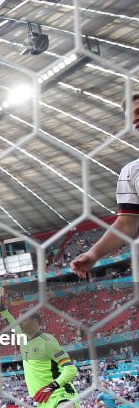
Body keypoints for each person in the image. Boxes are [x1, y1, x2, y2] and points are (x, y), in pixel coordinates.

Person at [0, 287, 124, 408]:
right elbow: (9, 320)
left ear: (36, 322)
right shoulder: (22, 338)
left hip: (60, 393)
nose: (20, 323)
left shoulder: (48, 341)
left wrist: (52, 387)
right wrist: (1, 307)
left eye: (25, 320)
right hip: (42, 400)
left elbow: (71, 370)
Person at [70, 93, 139, 278]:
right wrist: (94, 254)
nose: (136, 118)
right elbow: (127, 224)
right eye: (131, 116)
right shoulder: (131, 172)